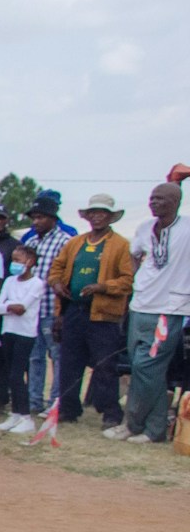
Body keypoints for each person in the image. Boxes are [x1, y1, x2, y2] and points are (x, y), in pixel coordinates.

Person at [47, 194, 133, 432]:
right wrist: (56, 283)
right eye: (93, 212)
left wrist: (102, 287)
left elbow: (127, 280)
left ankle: (110, 412)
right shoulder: (76, 242)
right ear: (87, 216)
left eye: (102, 212)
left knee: (105, 364)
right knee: (69, 361)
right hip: (74, 309)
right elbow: (57, 268)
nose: (97, 216)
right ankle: (68, 408)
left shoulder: (121, 245)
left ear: (110, 217)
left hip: (103, 314)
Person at [115, 181, 189, 443]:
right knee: (140, 367)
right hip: (140, 304)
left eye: (160, 198)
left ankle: (143, 426)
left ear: (176, 201)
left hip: (170, 309)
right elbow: (134, 257)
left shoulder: (188, 228)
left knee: (149, 366)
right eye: (151, 198)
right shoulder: (145, 228)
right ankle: (144, 426)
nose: (153, 202)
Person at [20, 194, 74, 415]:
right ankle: (34, 401)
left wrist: (63, 313)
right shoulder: (30, 243)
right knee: (34, 358)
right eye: (34, 217)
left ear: (52, 218)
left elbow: (67, 278)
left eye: (40, 217)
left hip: (53, 308)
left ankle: (55, 403)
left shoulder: (65, 242)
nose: (36, 222)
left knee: (57, 356)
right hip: (31, 311)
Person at [0, 244, 45, 434]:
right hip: (9, 331)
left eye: (18, 260)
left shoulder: (36, 283)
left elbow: (23, 308)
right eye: (13, 260)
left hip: (25, 333)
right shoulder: (10, 281)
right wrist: (9, 308)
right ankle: (15, 414)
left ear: (29, 262)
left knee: (17, 374)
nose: (14, 264)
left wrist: (9, 307)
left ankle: (26, 417)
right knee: (8, 372)